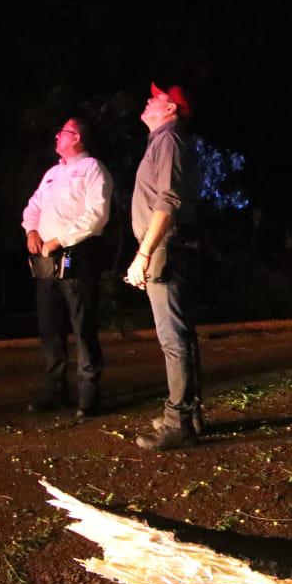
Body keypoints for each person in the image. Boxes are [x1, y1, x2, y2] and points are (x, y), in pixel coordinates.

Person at [126, 82, 204, 450]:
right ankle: (188, 415)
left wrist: (144, 253)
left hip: (165, 247)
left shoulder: (169, 139)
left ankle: (179, 423)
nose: (148, 98)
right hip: (165, 246)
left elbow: (168, 200)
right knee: (180, 334)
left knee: (173, 337)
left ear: (170, 107)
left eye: (155, 96)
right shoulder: (162, 140)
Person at [21, 116, 113, 417]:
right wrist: (32, 231)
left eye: (62, 132)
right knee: (50, 327)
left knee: (82, 324)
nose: (57, 136)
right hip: (47, 261)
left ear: (77, 137)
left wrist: (60, 239)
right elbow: (33, 206)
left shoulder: (93, 169)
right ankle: (55, 389)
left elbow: (96, 215)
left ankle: (89, 391)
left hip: (77, 256)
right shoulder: (51, 174)